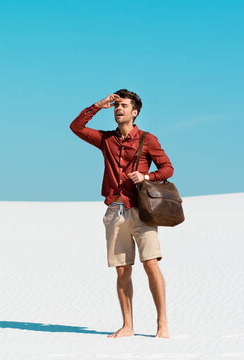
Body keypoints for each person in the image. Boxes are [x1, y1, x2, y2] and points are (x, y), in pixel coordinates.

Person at [69, 89, 174, 339]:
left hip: (142, 210)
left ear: (134, 112)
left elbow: (168, 168)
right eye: (116, 106)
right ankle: (128, 325)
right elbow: (76, 127)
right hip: (115, 211)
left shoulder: (147, 139)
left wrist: (146, 176)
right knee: (122, 270)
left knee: (151, 265)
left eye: (124, 106)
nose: (119, 109)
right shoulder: (106, 140)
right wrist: (98, 105)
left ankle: (162, 324)